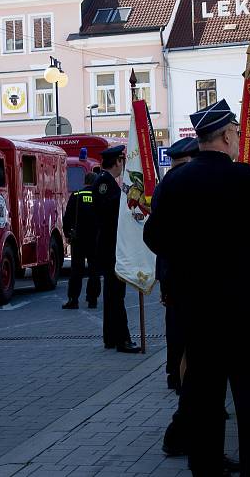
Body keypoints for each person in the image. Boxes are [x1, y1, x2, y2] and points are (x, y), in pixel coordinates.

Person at [144, 99, 250, 476]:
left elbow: (154, 237)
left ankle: (205, 467)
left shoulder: (175, 181)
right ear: (226, 135)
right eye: (235, 132)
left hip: (197, 311)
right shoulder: (248, 178)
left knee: (203, 395)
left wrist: (187, 259)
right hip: (244, 310)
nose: (237, 138)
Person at [154, 137, 199, 391]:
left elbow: (155, 233)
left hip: (169, 268)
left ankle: (174, 372)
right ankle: (183, 374)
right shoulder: (193, 183)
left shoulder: (164, 186)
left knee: (174, 323)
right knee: (189, 326)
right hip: (188, 269)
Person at [92, 145, 140, 353]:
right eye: (122, 161)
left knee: (112, 295)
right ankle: (122, 339)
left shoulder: (107, 182)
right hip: (111, 247)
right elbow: (110, 214)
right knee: (116, 295)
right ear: (118, 162)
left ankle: (111, 337)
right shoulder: (105, 183)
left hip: (108, 246)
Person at [62, 171, 101, 309]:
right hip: (95, 239)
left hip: (78, 239)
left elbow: (67, 218)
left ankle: (73, 300)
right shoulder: (99, 196)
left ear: (85, 182)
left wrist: (67, 233)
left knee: (76, 270)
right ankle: (93, 300)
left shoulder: (77, 195)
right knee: (94, 270)